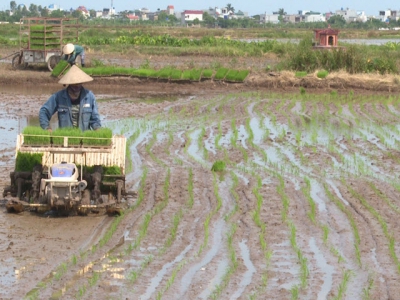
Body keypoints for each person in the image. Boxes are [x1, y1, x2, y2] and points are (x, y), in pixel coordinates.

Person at [39, 65, 101, 132]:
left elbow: (95, 119)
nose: (77, 88)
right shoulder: (59, 96)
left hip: (83, 138)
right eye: (74, 85)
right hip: (65, 138)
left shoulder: (89, 97)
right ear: (69, 84)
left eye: (79, 84)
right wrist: (47, 128)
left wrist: (98, 130)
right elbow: (44, 112)